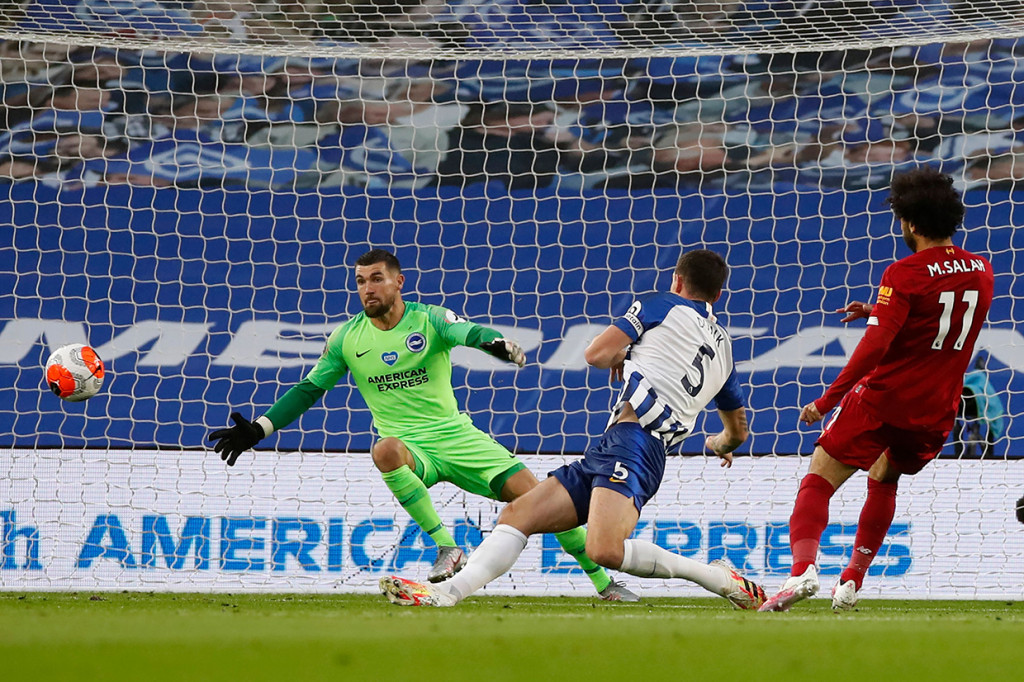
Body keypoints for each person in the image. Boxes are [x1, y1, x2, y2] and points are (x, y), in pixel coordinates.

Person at [208, 248, 637, 601]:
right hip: (413, 448)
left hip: (460, 439)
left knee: (544, 505)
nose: (367, 288)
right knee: (384, 449)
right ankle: (446, 546)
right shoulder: (346, 339)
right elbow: (308, 389)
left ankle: (604, 584)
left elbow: (468, 332)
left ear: (399, 282)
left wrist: (495, 345)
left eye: (376, 278)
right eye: (360, 280)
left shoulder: (429, 319)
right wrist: (259, 429)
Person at [379, 249, 767, 609]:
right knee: (518, 514)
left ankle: (718, 578)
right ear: (716, 296)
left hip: (636, 444)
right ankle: (446, 593)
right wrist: (718, 443)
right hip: (621, 444)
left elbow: (595, 354)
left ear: (677, 281)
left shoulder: (660, 303)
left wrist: (622, 353)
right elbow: (737, 432)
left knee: (605, 550)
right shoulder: (726, 351)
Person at [759, 167, 994, 612]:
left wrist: (825, 400)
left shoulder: (903, 273)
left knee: (818, 478)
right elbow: (941, 321)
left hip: (884, 401)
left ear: (910, 223)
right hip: (935, 413)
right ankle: (851, 581)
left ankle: (802, 573)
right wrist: (880, 309)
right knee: (884, 479)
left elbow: (875, 345)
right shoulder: (982, 271)